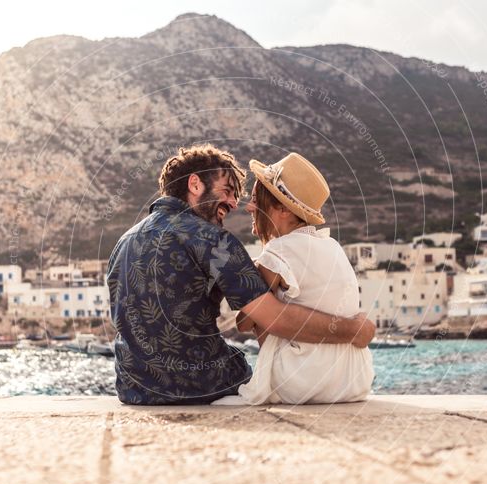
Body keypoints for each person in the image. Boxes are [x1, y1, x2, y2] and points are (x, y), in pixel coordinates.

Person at [106, 144, 375, 405]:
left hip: (134, 388)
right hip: (202, 385)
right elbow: (275, 319)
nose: (235, 203)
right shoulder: (215, 241)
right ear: (195, 185)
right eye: (228, 191)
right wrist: (354, 330)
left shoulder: (123, 242)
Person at [213, 153, 374, 405]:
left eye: (256, 200)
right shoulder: (332, 246)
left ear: (283, 209)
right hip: (354, 381)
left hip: (304, 383)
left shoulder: (279, 250)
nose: (249, 207)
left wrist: (253, 275)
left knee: (265, 313)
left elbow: (244, 323)